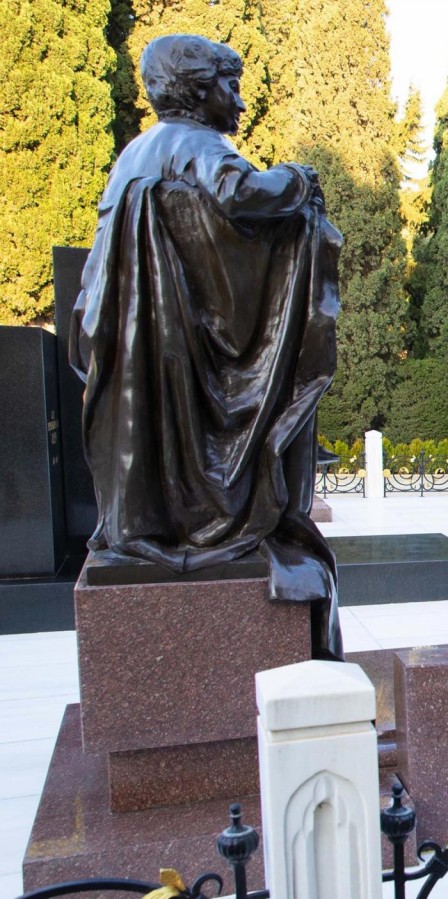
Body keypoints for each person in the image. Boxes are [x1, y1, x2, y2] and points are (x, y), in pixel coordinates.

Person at [70, 34, 344, 659]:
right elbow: (243, 197)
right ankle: (207, 518)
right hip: (179, 354)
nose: (241, 104)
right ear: (199, 91)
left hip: (139, 353)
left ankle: (162, 516)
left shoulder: (135, 152)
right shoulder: (200, 145)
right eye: (231, 86)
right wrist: (299, 183)